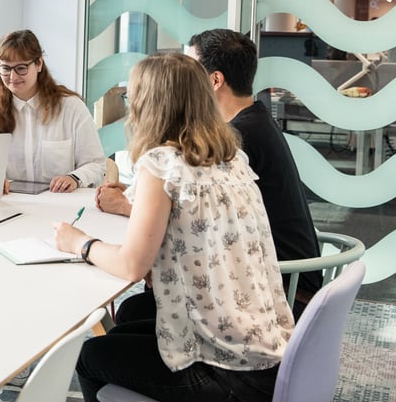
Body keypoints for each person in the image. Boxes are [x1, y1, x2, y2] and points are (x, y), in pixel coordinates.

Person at [54, 52, 294, 402]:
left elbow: (131, 266)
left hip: (231, 376)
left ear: (148, 104)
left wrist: (81, 244)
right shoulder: (231, 158)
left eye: (130, 97)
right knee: (136, 312)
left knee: (92, 357)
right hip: (269, 353)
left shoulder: (162, 164)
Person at [98, 29, 322, 321]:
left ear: (214, 81)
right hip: (271, 277)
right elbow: (192, 198)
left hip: (271, 289)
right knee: (135, 309)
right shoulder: (254, 119)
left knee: (138, 309)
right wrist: (135, 190)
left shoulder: (235, 139)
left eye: (191, 70)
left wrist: (123, 205)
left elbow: (186, 218)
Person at [0, 29, 105, 192]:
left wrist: (74, 178)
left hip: (60, 205)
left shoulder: (71, 108)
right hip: (10, 206)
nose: (13, 77)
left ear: (39, 64)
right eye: (6, 68)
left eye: (21, 68)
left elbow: (96, 164)